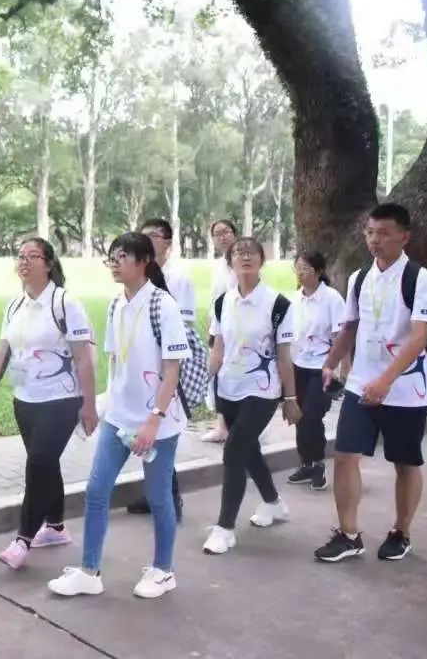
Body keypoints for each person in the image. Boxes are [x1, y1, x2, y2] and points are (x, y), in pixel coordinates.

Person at [48, 232, 188, 600]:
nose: (114, 263)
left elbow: (172, 370)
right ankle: (89, 572)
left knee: (158, 497)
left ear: (144, 261)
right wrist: (98, 405)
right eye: (111, 256)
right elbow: (116, 363)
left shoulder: (163, 305)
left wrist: (154, 419)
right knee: (97, 491)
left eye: (122, 256)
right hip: (120, 416)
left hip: (158, 421)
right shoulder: (115, 305)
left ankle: (163, 571)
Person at [315, 203, 427, 563]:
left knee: (405, 462)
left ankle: (401, 532)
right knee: (344, 456)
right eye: (370, 232)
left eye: (384, 233)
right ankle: (349, 535)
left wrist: (386, 381)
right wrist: (330, 362)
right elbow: (350, 326)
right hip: (360, 385)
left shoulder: (419, 279)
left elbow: (419, 338)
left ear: (404, 236)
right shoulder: (359, 278)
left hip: (405, 390)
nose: (375, 240)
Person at [0, 238, 98, 570]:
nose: (24, 261)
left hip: (62, 399)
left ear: (49, 263)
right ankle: (55, 526)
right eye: (20, 256)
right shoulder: (15, 305)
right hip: (25, 400)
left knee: (37, 465)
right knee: (45, 464)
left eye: (33, 256)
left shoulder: (65, 303)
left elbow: (83, 358)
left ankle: (22, 539)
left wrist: (88, 405)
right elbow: (2, 352)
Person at [203, 237, 300, 555]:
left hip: (262, 390)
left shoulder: (278, 305)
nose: (244, 257)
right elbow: (218, 349)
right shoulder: (222, 302)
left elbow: (284, 356)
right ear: (230, 261)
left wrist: (290, 398)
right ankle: (273, 503)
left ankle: (225, 529)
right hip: (228, 388)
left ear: (262, 260)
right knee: (248, 450)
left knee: (234, 450)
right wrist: (203, 381)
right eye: (238, 253)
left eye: (251, 253)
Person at [126, 218, 195, 519]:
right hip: (142, 366)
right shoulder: (137, 274)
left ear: (168, 243)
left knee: (162, 431)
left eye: (154, 236)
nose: (148, 240)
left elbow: (185, 325)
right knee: (147, 431)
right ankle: (154, 493)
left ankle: (170, 498)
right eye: (144, 235)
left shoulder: (179, 279)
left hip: (168, 365)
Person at [287, 251, 347, 491]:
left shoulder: (332, 299)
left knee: (312, 415)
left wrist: (341, 368)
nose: (300, 273)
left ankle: (318, 463)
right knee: (299, 416)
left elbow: (341, 335)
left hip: (322, 367)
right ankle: (306, 463)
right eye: (297, 268)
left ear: (319, 271)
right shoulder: (294, 299)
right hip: (297, 365)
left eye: (305, 268)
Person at [202, 219, 239, 443]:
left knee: (231, 373)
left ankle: (233, 424)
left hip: (236, 329)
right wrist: (210, 323)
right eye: (217, 234)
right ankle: (222, 424)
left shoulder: (241, 263)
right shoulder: (218, 266)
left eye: (226, 232)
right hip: (218, 326)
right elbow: (214, 298)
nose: (223, 236)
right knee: (217, 374)